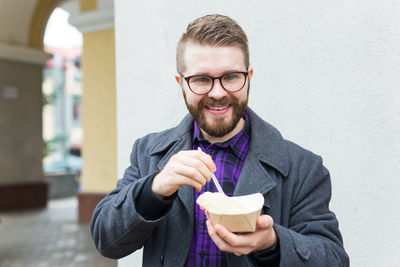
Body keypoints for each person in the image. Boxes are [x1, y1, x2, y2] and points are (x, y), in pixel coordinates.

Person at [90, 14, 349, 267]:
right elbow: (107, 241)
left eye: (231, 77)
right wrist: (155, 189)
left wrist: (272, 244)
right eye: (201, 79)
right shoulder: (148, 154)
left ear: (248, 77)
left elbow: (334, 259)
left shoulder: (303, 168)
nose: (217, 93)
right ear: (181, 83)